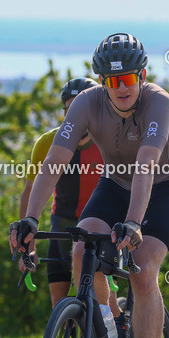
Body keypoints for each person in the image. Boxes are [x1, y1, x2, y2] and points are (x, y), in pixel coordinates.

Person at [11, 33, 169, 338]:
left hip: (162, 189)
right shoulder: (87, 104)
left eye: (127, 79)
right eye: (111, 80)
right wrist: (31, 219)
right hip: (114, 185)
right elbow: (54, 162)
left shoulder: (158, 102)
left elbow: (146, 164)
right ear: (102, 82)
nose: (120, 88)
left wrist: (134, 223)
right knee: (80, 251)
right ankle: (110, 330)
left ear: (142, 75)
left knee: (142, 270)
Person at [19, 77, 106, 305]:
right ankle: (69, 335)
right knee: (59, 302)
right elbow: (29, 193)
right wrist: (28, 247)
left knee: (106, 300)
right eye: (70, 109)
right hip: (63, 223)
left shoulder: (108, 141)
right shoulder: (48, 142)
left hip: (99, 223)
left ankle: (112, 332)